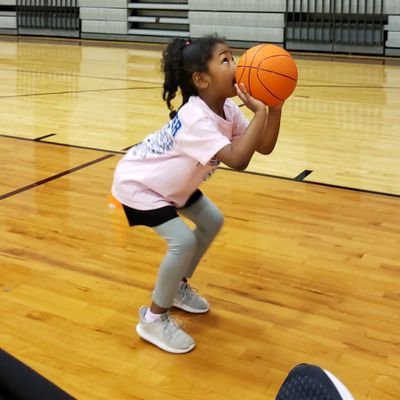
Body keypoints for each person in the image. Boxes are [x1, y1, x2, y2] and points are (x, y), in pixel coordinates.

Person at [111, 34, 284, 354]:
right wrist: (260, 114)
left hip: (172, 184)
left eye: (233, 57)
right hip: (141, 184)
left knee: (211, 220)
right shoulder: (196, 119)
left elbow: (263, 146)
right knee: (183, 241)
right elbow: (239, 160)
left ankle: (176, 288)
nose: (237, 65)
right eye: (226, 60)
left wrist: (274, 107)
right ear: (202, 79)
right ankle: (153, 317)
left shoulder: (227, 109)